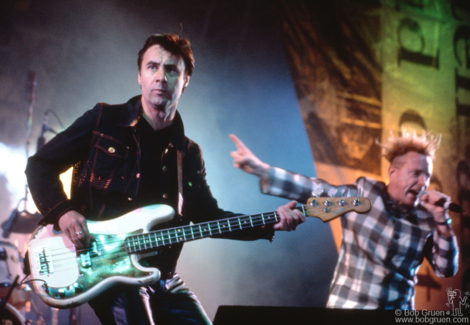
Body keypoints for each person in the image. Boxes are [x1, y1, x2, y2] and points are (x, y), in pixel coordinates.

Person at [25, 33, 305, 325]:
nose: (161, 77)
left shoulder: (188, 153)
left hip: (162, 279)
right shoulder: (104, 121)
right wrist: (64, 212)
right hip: (103, 266)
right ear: (140, 76)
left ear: (185, 81)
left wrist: (271, 220)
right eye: (152, 67)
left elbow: (209, 216)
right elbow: (40, 165)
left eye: (171, 69)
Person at [229, 131, 459, 310]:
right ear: (393, 172)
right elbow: (315, 189)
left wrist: (442, 222)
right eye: (416, 173)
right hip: (349, 311)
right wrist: (263, 171)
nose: (423, 183)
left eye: (427, 176)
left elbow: (445, 268)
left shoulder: (428, 218)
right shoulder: (364, 195)